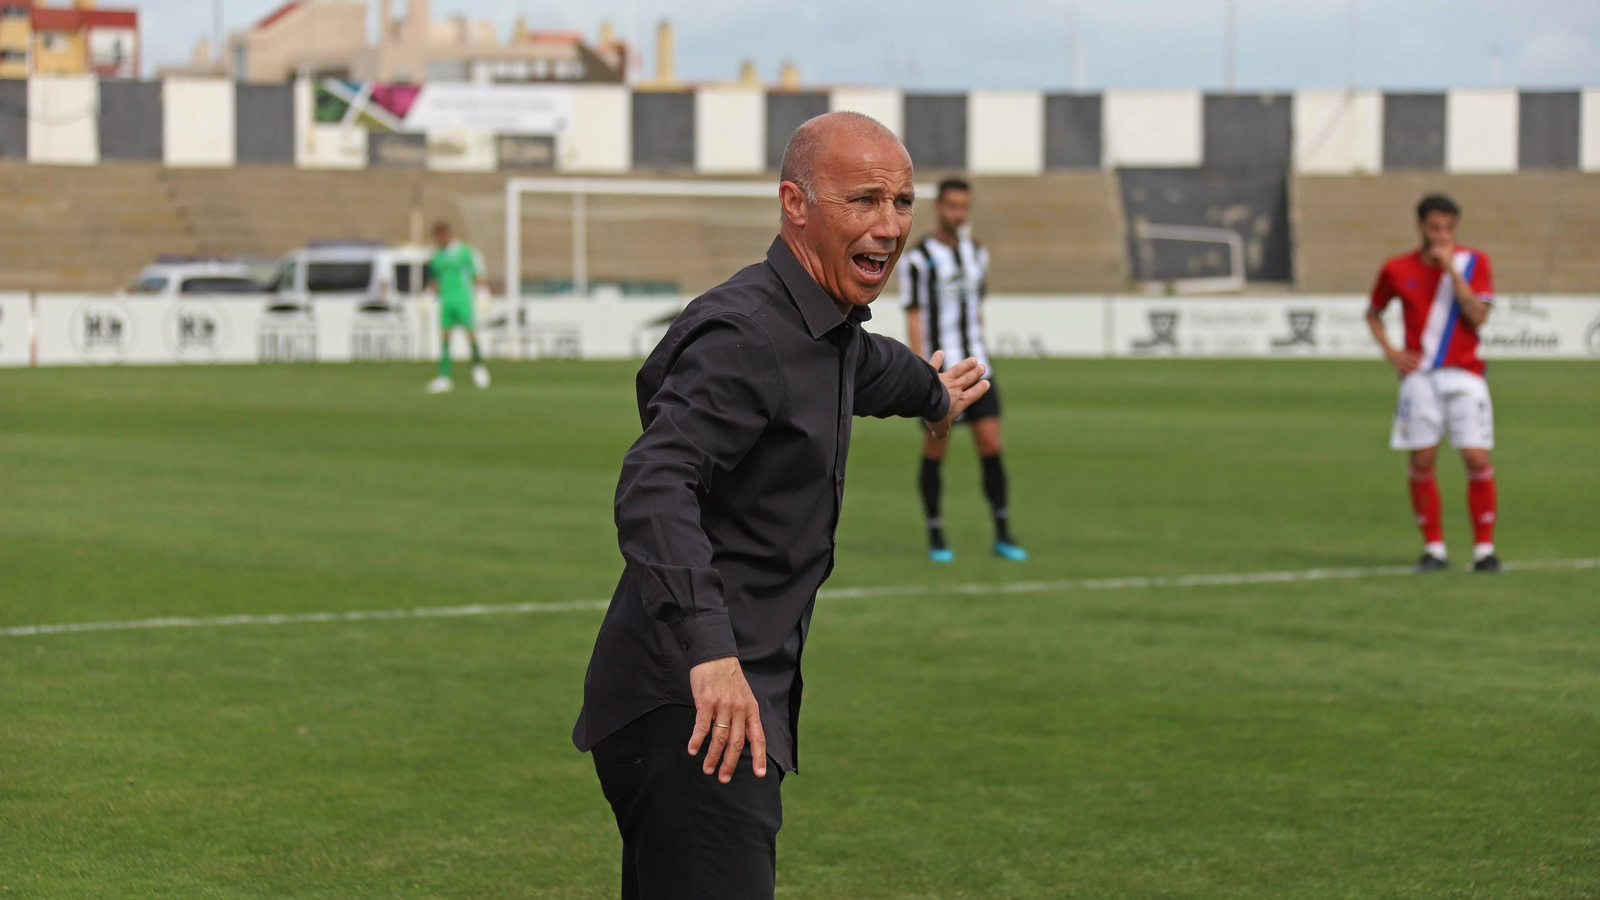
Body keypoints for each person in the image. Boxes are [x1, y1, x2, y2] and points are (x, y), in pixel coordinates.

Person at [571, 112, 990, 899]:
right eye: (864, 199)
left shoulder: (821, 329)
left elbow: (868, 368)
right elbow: (655, 483)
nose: (890, 225)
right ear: (795, 204)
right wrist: (710, 650)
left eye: (902, 202)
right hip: (695, 703)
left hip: (712, 697)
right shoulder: (747, 333)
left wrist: (933, 392)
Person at [1366, 194, 1499, 573]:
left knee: (1476, 457)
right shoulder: (1396, 268)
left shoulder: (1474, 263)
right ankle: (1434, 549)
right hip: (1420, 377)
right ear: (1421, 226)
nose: (1442, 235)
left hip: (1466, 373)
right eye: (1435, 227)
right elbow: (1373, 312)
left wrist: (1452, 272)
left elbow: (1478, 317)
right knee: (1422, 459)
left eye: (1448, 228)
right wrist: (1391, 352)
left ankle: (1484, 551)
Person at [899, 178, 1026, 562]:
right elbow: (914, 316)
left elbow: (976, 310)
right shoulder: (919, 259)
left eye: (964, 207)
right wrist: (924, 372)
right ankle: (936, 534)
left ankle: (1003, 532)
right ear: (939, 207)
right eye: (952, 206)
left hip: (977, 365)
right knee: (936, 448)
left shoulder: (977, 254)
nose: (958, 213)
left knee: (991, 445)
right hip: (943, 370)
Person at [425, 221, 490, 393]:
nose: (439, 239)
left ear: (447, 234)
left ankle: (478, 368)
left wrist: (483, 293)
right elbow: (434, 280)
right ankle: (444, 377)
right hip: (446, 302)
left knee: (471, 335)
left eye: (440, 235)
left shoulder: (465, 252)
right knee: (445, 338)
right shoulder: (437, 256)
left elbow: (477, 274)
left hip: (463, 300)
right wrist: (427, 296)